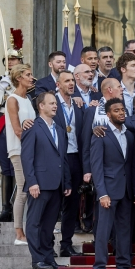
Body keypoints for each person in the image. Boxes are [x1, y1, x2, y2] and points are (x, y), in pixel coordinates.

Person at [91, 98, 135, 269]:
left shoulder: (129, 135)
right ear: (108, 114)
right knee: (104, 232)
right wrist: (102, 193)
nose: (121, 113)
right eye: (116, 110)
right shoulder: (100, 135)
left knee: (124, 232)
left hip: (127, 192)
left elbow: (132, 165)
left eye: (122, 110)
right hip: (108, 192)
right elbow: (96, 167)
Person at [22, 91, 72, 269]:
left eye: (55, 103)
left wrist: (66, 182)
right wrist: (32, 182)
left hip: (57, 184)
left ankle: (48, 257)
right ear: (41, 106)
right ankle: (37, 259)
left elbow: (63, 158)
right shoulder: (32, 127)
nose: (55, 106)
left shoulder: (59, 129)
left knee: (49, 224)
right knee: (35, 222)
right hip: (39, 184)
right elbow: (27, 158)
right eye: (51, 103)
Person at [54, 71, 85, 255]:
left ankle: (66, 244)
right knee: (54, 204)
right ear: (58, 85)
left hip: (75, 158)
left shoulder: (78, 104)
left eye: (73, 80)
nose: (71, 84)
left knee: (72, 204)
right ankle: (47, 244)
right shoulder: (51, 103)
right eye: (67, 81)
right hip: (58, 158)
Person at [5, 64, 36, 245]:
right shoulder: (12, 99)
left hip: (31, 151)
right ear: (19, 78)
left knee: (32, 189)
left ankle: (32, 227)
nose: (32, 78)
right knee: (23, 189)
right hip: (18, 151)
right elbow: (18, 130)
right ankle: (18, 233)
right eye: (28, 75)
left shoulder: (28, 99)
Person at [0, 44, 24, 222]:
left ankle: (20, 206)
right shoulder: (1, 81)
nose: (10, 63)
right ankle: (6, 207)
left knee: (21, 167)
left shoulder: (29, 82)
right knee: (6, 168)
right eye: (7, 60)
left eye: (14, 59)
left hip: (22, 124)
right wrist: (2, 88)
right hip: (3, 125)